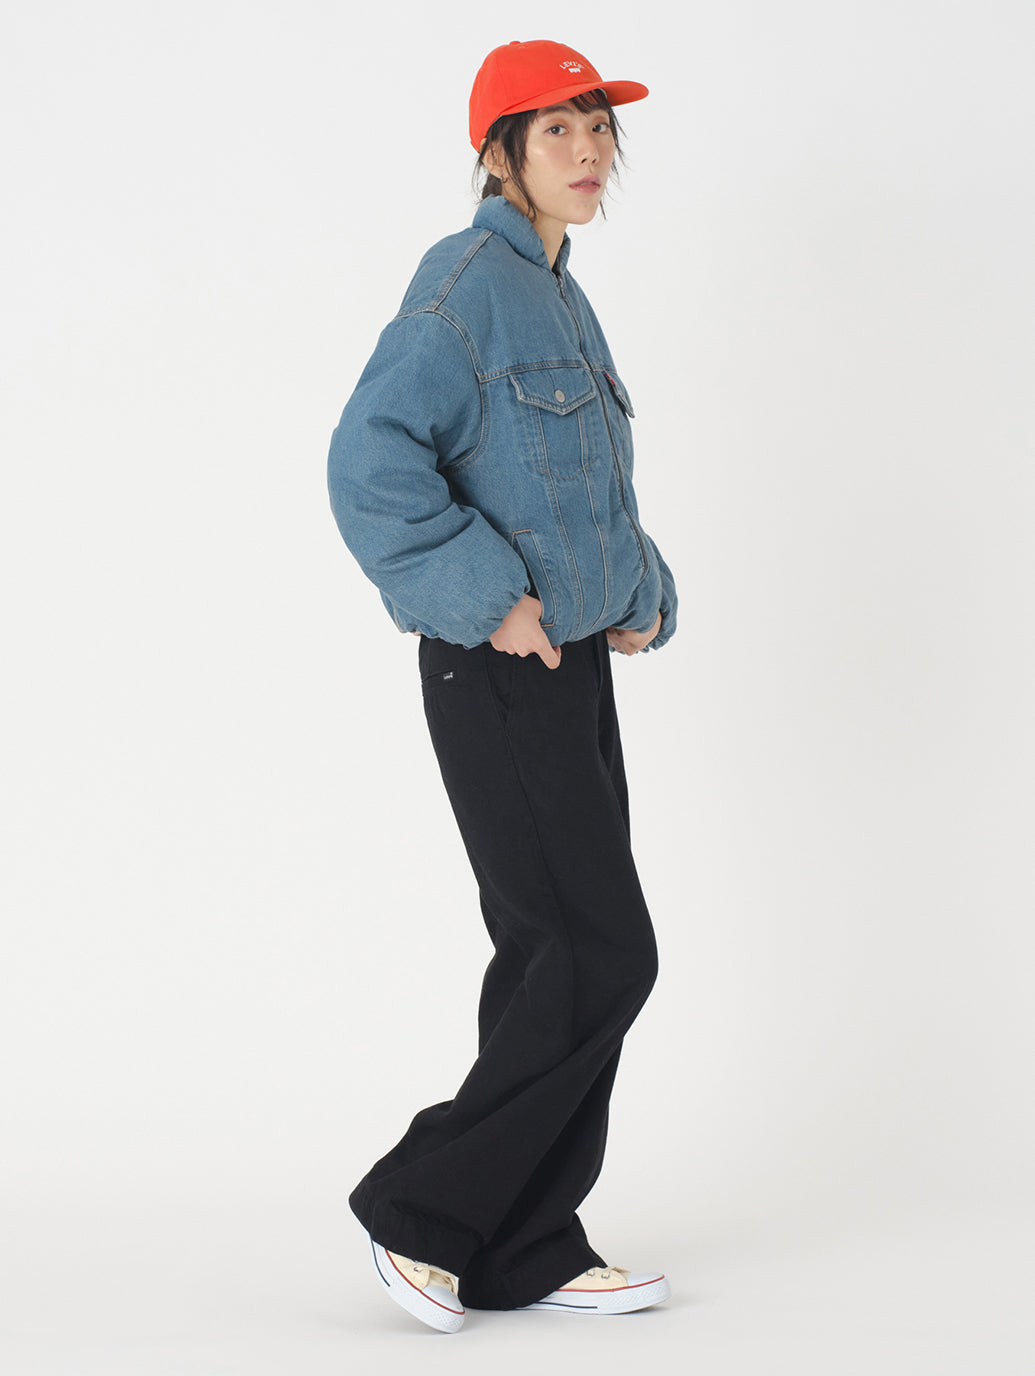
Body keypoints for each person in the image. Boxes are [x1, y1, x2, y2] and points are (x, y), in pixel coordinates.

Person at [326, 38, 678, 1332]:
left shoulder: (558, 291)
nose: (588, 152)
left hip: (564, 670)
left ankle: (525, 1240)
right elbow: (370, 462)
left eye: (599, 128)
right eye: (557, 131)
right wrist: (491, 599)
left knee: (558, 954)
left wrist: (634, 594)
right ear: (498, 153)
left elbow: (578, 487)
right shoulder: (467, 283)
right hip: (495, 669)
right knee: (596, 950)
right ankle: (421, 1212)